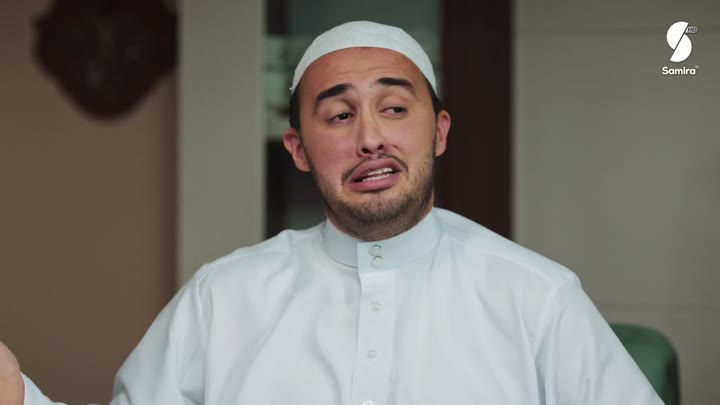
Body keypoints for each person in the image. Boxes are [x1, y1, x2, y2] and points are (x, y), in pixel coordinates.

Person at [1, 21, 663, 405]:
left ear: (439, 132)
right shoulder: (223, 297)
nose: (370, 138)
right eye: (340, 115)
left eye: (395, 108)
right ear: (297, 148)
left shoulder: (538, 296)